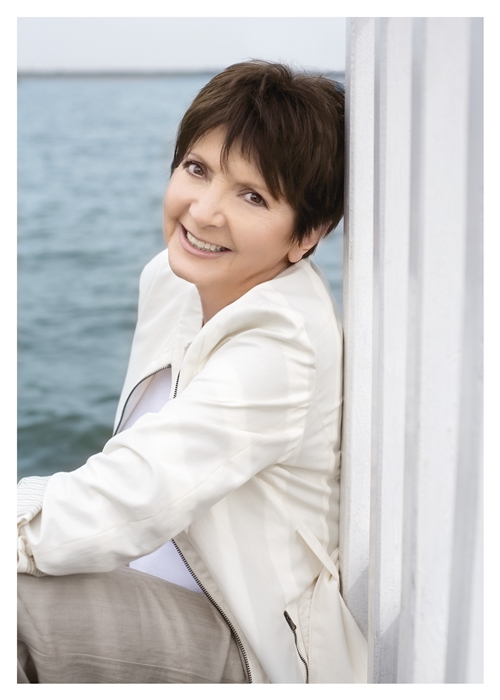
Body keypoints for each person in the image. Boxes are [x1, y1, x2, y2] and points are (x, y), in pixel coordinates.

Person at [17, 61, 367, 684]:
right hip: (140, 584)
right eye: (197, 169)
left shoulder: (282, 344)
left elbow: (138, 489)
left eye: (253, 196)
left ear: (307, 233)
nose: (203, 213)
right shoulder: (175, 278)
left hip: (242, 638)